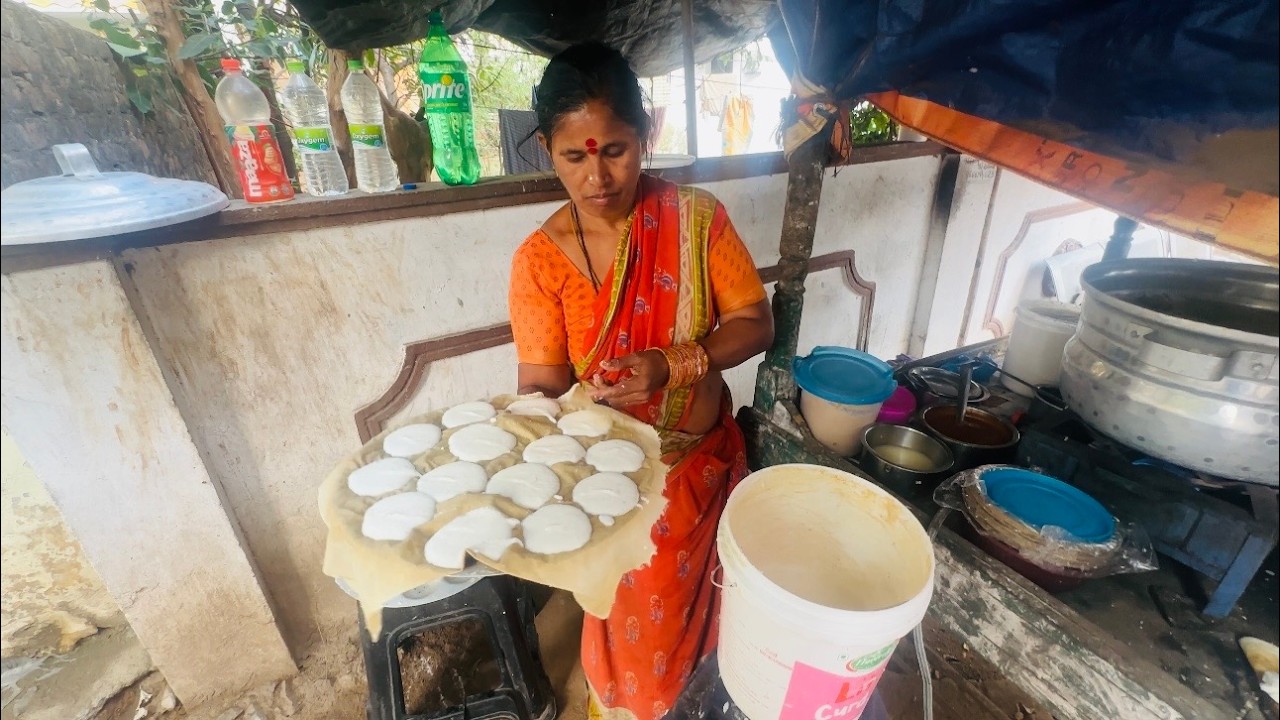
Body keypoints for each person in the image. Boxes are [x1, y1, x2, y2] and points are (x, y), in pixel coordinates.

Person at [507, 42, 774, 719]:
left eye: (616, 151)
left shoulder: (697, 221)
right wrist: (530, 430)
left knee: (727, 644)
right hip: (612, 487)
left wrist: (673, 363)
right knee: (639, 657)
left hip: (698, 472)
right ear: (546, 150)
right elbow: (541, 386)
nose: (597, 177)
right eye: (574, 156)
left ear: (646, 134)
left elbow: (755, 322)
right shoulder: (540, 262)